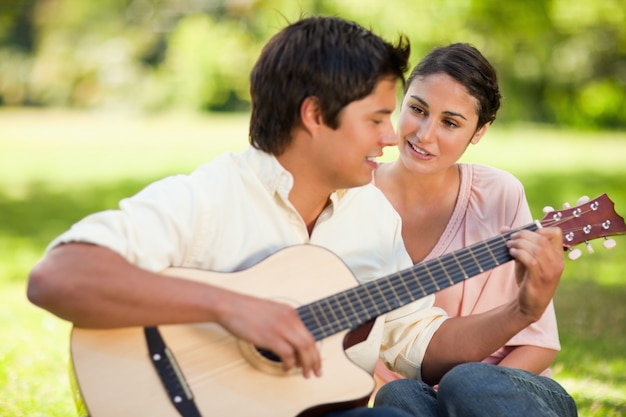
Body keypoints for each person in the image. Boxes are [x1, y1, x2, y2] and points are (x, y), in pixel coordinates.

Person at [27, 16, 567, 417]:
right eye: (380, 117)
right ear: (315, 116)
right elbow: (58, 277)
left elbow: (419, 345)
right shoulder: (213, 196)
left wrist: (522, 309)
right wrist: (229, 306)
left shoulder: (369, 215)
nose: (393, 136)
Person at [372, 43, 577, 416]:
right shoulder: (353, 198)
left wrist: (462, 400)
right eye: (417, 109)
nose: (425, 134)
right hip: (420, 398)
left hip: (510, 392)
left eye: (450, 122)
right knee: (397, 396)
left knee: (466, 381)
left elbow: (539, 345)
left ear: (479, 131)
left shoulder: (498, 194)